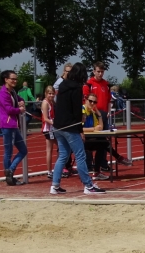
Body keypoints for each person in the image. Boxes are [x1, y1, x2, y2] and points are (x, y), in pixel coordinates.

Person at [50, 62, 104, 195]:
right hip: (70, 126)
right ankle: (88, 185)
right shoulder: (76, 88)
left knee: (63, 155)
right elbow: (76, 111)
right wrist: (80, 130)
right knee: (80, 155)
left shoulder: (62, 85)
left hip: (58, 125)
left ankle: (55, 185)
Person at [0, 70, 27, 186]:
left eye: (16, 79)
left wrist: (22, 102)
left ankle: (10, 170)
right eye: (13, 79)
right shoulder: (2, 93)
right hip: (7, 125)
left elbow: (19, 98)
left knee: (23, 150)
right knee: (8, 152)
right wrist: (19, 110)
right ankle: (9, 176)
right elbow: (9, 109)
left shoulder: (12, 91)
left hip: (14, 125)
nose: (15, 81)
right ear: (6, 80)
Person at [41, 85, 56, 179]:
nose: (51, 95)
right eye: (49, 93)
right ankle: (49, 171)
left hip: (53, 128)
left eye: (53, 93)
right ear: (46, 94)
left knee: (61, 147)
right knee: (49, 149)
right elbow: (46, 118)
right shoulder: (45, 103)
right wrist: (55, 123)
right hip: (48, 129)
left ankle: (58, 168)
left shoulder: (52, 102)